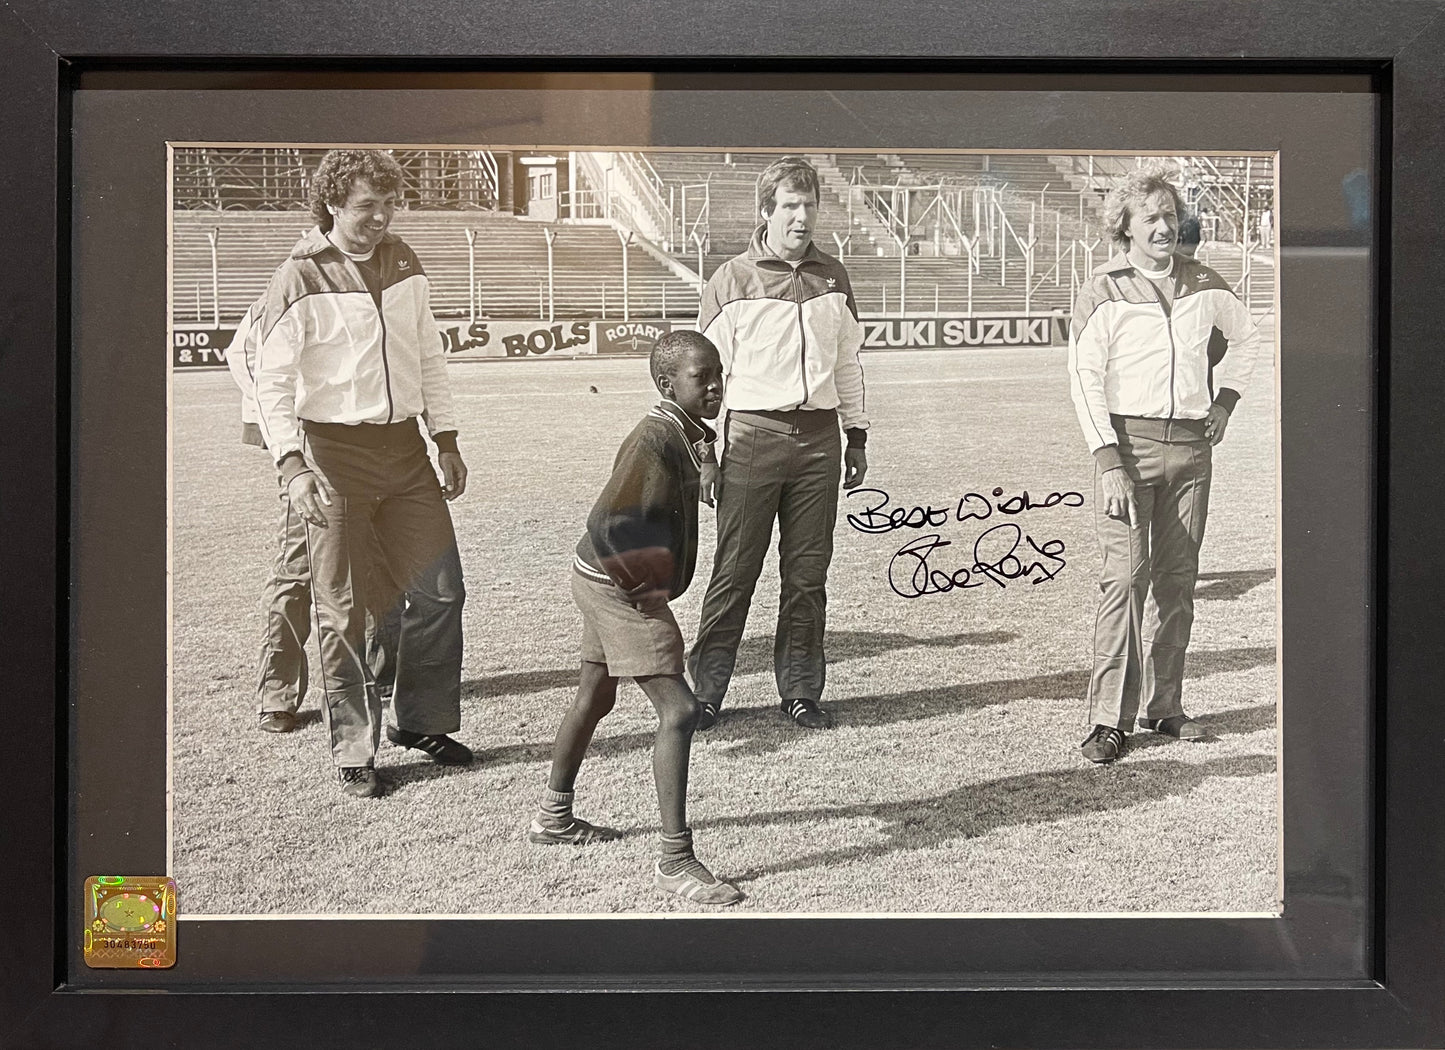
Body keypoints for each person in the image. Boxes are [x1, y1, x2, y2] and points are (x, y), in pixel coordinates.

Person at [254, 149, 471, 798]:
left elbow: (428, 356)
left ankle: (421, 723)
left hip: (406, 453)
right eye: (364, 207)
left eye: (387, 204)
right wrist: (292, 464)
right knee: (342, 609)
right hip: (332, 457)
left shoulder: (405, 261)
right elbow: (272, 383)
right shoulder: (298, 276)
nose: (379, 218)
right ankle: (355, 747)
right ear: (331, 207)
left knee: (440, 591)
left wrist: (447, 438)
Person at [530, 331, 742, 906]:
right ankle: (676, 861)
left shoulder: (687, 431)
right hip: (614, 584)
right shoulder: (653, 438)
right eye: (703, 377)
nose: (717, 385)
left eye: (720, 372)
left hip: (594, 576)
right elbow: (611, 523)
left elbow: (669, 494)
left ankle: (553, 817)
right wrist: (642, 583)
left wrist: (707, 467)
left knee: (595, 698)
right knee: (679, 709)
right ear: (668, 384)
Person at [1068, 161, 1261, 764]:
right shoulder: (1103, 289)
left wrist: (1225, 401)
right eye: (1149, 218)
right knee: (1124, 581)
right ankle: (1108, 720)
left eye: (1170, 217)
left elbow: (1250, 341)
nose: (1163, 228)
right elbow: (1084, 376)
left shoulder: (1206, 282)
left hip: (1193, 450)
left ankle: (1165, 708)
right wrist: (1107, 459)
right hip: (1128, 448)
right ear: (1124, 228)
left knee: (1177, 583)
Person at [686, 155, 870, 732]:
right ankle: (707, 692)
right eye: (791, 205)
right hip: (752, 438)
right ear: (766, 211)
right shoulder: (732, 279)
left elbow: (846, 364)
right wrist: (706, 454)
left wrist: (857, 436)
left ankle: (800, 691)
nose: (803, 216)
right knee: (736, 571)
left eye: (810, 205)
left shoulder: (833, 276)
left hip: (818, 442)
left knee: (807, 574)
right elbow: (703, 381)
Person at [225, 297, 401, 735]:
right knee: (302, 568)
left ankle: (382, 674)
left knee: (380, 559)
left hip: (376, 447)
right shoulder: (294, 286)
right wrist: (289, 424)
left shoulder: (377, 281)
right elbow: (243, 354)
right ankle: (277, 693)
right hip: (313, 449)